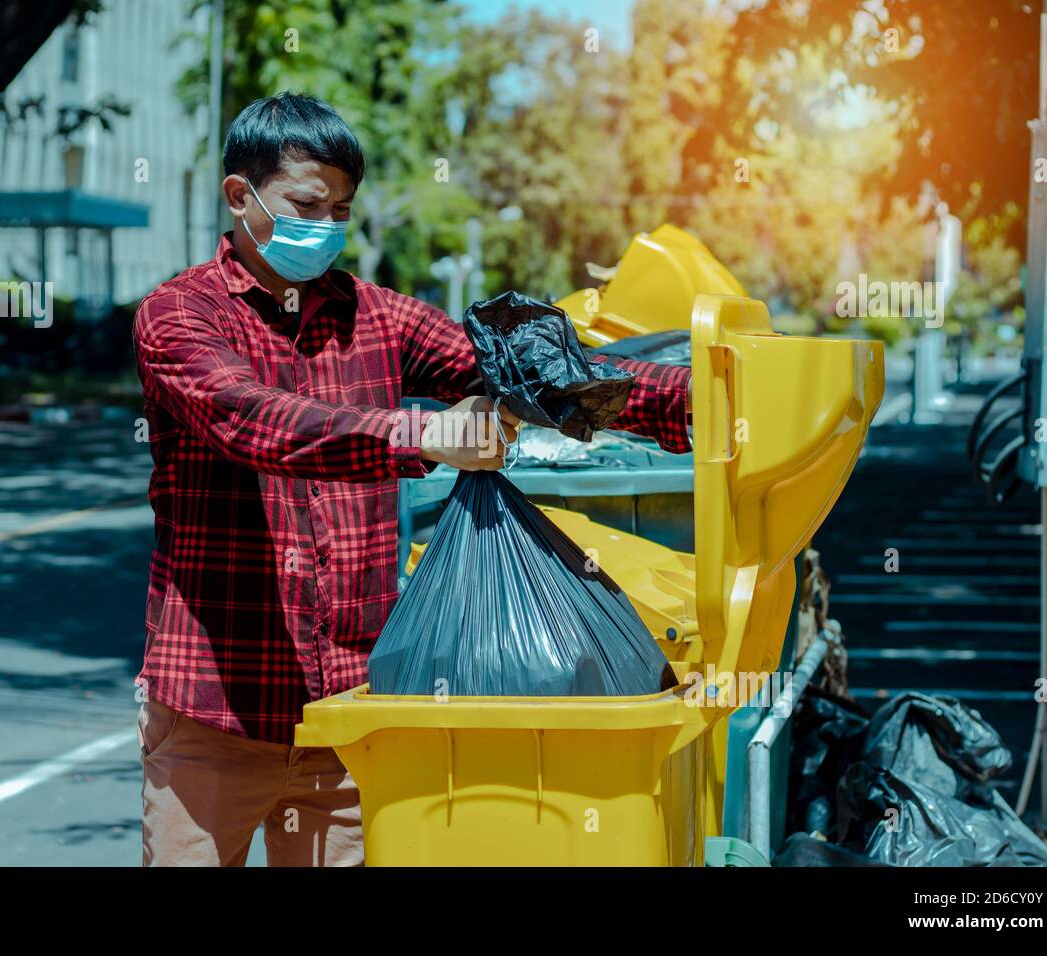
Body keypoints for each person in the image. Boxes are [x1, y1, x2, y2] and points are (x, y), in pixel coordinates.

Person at [132, 91, 692, 866]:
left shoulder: (378, 317)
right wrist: (426, 432)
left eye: (341, 210)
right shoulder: (178, 316)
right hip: (213, 717)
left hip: (356, 718)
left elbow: (531, 369)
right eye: (306, 204)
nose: (325, 228)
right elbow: (254, 421)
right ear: (240, 195)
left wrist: (687, 397)